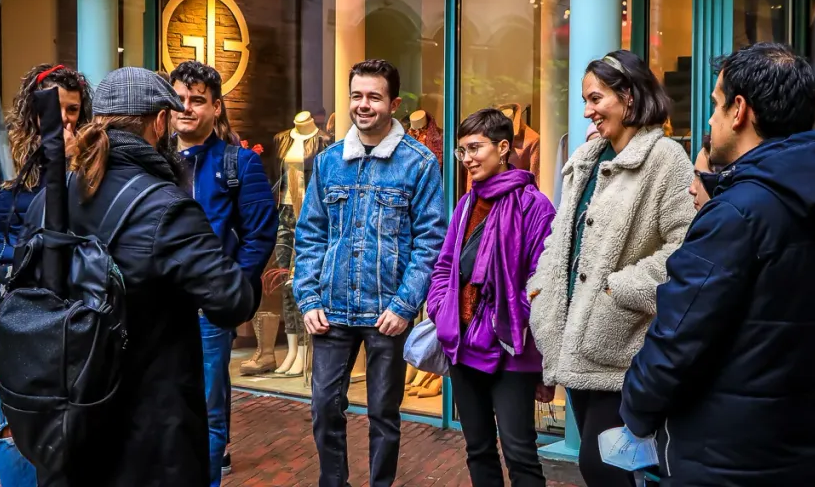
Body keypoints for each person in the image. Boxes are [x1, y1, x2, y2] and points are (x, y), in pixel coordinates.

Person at [621, 42, 815, 485]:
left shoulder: (738, 212)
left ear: (740, 111)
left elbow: (679, 335)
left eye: (716, 106)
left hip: (728, 456)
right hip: (804, 445)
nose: (712, 120)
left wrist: (636, 410)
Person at [23, 66, 255, 486]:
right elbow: (231, 300)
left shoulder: (49, 199)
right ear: (160, 122)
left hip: (67, 419)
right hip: (150, 432)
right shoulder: (166, 205)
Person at [527, 49, 694, 487]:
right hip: (573, 340)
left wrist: (617, 290)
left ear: (630, 97)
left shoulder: (665, 159)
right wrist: (541, 287)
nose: (588, 111)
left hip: (621, 346)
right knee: (609, 466)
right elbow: (559, 237)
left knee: (606, 468)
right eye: (586, 100)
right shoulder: (585, 159)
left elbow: (687, 250)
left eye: (596, 98)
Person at [294, 59, 445, 487]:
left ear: (393, 103)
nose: (364, 105)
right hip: (332, 310)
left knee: (383, 414)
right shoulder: (327, 164)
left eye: (374, 97)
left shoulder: (419, 163)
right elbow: (310, 234)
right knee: (324, 406)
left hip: (387, 313)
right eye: (357, 95)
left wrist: (405, 304)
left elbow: (430, 241)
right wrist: (307, 298)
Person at [0, 64, 91, 487]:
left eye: (74, 110)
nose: (66, 120)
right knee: (14, 414)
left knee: (69, 410)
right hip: (11, 304)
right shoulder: (2, 157)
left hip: (67, 302)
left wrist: (76, 162)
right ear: (33, 108)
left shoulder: (89, 156)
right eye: (56, 109)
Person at [425, 108, 556, 487]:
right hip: (463, 344)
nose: (467, 158)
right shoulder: (466, 203)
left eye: (475, 148)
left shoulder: (535, 205)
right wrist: (440, 308)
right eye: (462, 150)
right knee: (478, 449)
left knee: (520, 454)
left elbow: (541, 280)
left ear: (502, 147)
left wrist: (506, 317)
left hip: (510, 347)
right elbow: (444, 265)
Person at [169, 60, 277, 486]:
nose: (187, 108)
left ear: (216, 109)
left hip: (207, 310)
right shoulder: (154, 160)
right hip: (157, 304)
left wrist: (229, 290)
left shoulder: (239, 164)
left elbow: (260, 235)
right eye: (179, 99)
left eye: (198, 100)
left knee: (209, 410)